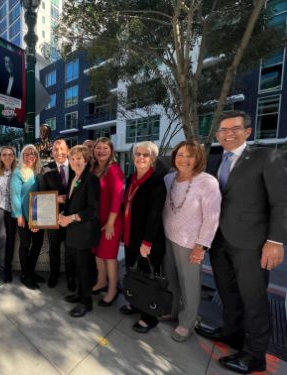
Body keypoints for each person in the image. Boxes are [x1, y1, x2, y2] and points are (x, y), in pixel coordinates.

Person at [195, 110, 287, 374]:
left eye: (234, 128)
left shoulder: (266, 157)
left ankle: (255, 355)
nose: (228, 133)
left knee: (254, 299)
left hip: (252, 243)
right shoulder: (213, 162)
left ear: (247, 131)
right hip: (219, 240)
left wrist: (275, 241)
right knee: (227, 292)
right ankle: (231, 333)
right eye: (222, 130)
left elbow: (281, 201)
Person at [162, 140, 221, 342]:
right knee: (171, 279)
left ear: (198, 158)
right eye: (180, 155)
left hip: (190, 243)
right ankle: (171, 310)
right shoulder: (169, 179)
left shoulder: (207, 182)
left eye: (190, 155)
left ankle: (187, 322)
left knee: (190, 285)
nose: (184, 159)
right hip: (168, 237)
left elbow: (212, 218)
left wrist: (201, 246)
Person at [119, 141, 166, 333]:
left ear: (152, 158)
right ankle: (136, 304)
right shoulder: (131, 178)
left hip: (148, 240)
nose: (140, 157)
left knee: (148, 277)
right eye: (137, 154)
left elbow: (155, 214)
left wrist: (147, 242)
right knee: (134, 272)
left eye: (145, 155)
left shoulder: (156, 180)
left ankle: (149, 316)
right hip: (131, 236)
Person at [58, 145, 100, 318]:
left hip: (84, 232)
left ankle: (86, 303)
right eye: (73, 159)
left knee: (84, 268)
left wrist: (71, 218)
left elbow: (92, 210)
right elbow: (73, 201)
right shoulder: (75, 177)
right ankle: (80, 294)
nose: (75, 162)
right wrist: (63, 213)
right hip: (73, 232)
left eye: (79, 159)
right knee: (76, 266)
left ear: (86, 160)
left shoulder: (91, 179)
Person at [91, 137, 124, 306]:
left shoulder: (114, 170)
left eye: (105, 148)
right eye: (98, 148)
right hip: (96, 220)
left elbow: (117, 198)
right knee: (98, 253)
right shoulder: (94, 168)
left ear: (111, 151)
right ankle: (101, 281)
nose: (101, 151)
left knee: (109, 256)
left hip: (111, 220)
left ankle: (112, 289)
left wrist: (110, 223)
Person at [39, 139, 76, 290]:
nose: (59, 152)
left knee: (70, 249)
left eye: (62, 149)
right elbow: (41, 195)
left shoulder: (76, 167)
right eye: (55, 149)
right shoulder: (46, 169)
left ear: (68, 150)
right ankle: (54, 275)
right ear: (52, 152)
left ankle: (71, 277)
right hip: (52, 216)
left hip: (72, 218)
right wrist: (57, 198)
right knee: (54, 249)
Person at [11, 144, 44, 290]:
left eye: (33, 154)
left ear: (36, 156)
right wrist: (19, 216)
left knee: (37, 245)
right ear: (22, 156)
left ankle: (31, 271)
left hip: (39, 216)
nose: (30, 157)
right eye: (26, 154)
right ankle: (25, 275)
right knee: (25, 245)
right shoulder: (18, 172)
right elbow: (15, 196)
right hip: (24, 216)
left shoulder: (39, 172)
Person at [0, 146, 17, 284]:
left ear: (14, 156)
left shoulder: (18, 171)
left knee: (11, 239)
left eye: (10, 154)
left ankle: (8, 269)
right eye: (4, 154)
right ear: (0, 156)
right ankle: (0, 270)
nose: (7, 156)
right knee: (1, 238)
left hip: (13, 210)